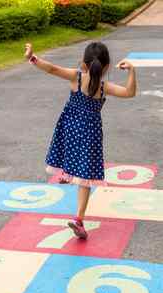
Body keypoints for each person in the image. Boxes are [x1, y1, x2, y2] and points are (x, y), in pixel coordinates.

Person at [25, 41, 136, 239]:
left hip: (70, 126)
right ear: (107, 67)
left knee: (67, 150)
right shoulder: (104, 87)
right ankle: (79, 219)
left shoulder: (76, 77)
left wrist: (32, 57)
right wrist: (131, 72)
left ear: (83, 64)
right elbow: (129, 93)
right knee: (84, 177)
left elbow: (51, 68)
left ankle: (67, 173)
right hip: (91, 132)